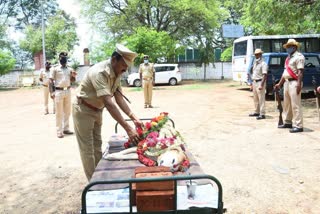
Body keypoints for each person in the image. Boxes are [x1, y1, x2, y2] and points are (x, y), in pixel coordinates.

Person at [72, 44, 143, 181]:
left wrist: (134, 118)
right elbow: (109, 103)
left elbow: (119, 98)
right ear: (114, 59)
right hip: (83, 109)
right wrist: (128, 129)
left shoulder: (116, 72)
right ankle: (93, 183)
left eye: (126, 67)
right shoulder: (100, 72)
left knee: (97, 146)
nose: (125, 70)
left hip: (97, 110)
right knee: (87, 149)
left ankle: (100, 177)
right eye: (123, 66)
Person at [274, 39, 305, 133]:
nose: (288, 48)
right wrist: (280, 84)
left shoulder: (299, 57)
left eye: (289, 46)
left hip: (295, 82)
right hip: (287, 82)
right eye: (287, 47)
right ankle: (288, 122)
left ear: (294, 47)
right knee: (287, 104)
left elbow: (300, 72)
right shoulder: (288, 58)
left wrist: (299, 84)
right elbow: (285, 73)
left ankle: (298, 125)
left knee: (296, 105)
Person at [49, 52, 77, 138]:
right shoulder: (55, 68)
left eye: (65, 57)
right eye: (62, 57)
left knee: (67, 111)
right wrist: (51, 92)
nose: (63, 59)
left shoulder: (70, 69)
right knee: (59, 112)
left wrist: (73, 76)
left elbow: (72, 80)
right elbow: (50, 81)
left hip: (68, 91)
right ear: (59, 58)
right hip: (58, 91)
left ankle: (66, 129)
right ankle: (59, 131)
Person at [248, 48, 268, 120]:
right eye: (255, 55)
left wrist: (261, 85)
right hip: (254, 82)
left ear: (260, 55)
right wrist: (251, 83)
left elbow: (264, 75)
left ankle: (262, 113)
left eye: (257, 54)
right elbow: (253, 73)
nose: (256, 56)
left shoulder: (263, 64)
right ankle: (257, 111)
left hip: (260, 82)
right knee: (255, 98)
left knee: (261, 99)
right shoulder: (255, 63)